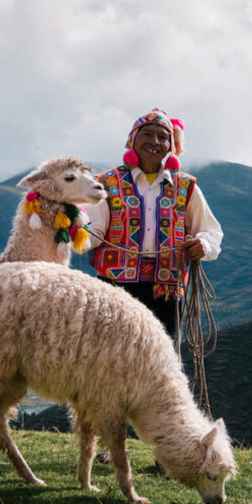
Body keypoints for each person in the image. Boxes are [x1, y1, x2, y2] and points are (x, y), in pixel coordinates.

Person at [85, 109, 223, 341]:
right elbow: (95, 230)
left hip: (166, 291)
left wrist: (203, 245)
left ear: (171, 146)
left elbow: (211, 231)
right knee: (111, 360)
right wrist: (70, 236)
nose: (154, 141)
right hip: (115, 287)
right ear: (132, 140)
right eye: (147, 134)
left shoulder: (185, 187)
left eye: (163, 137)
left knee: (161, 362)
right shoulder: (106, 183)